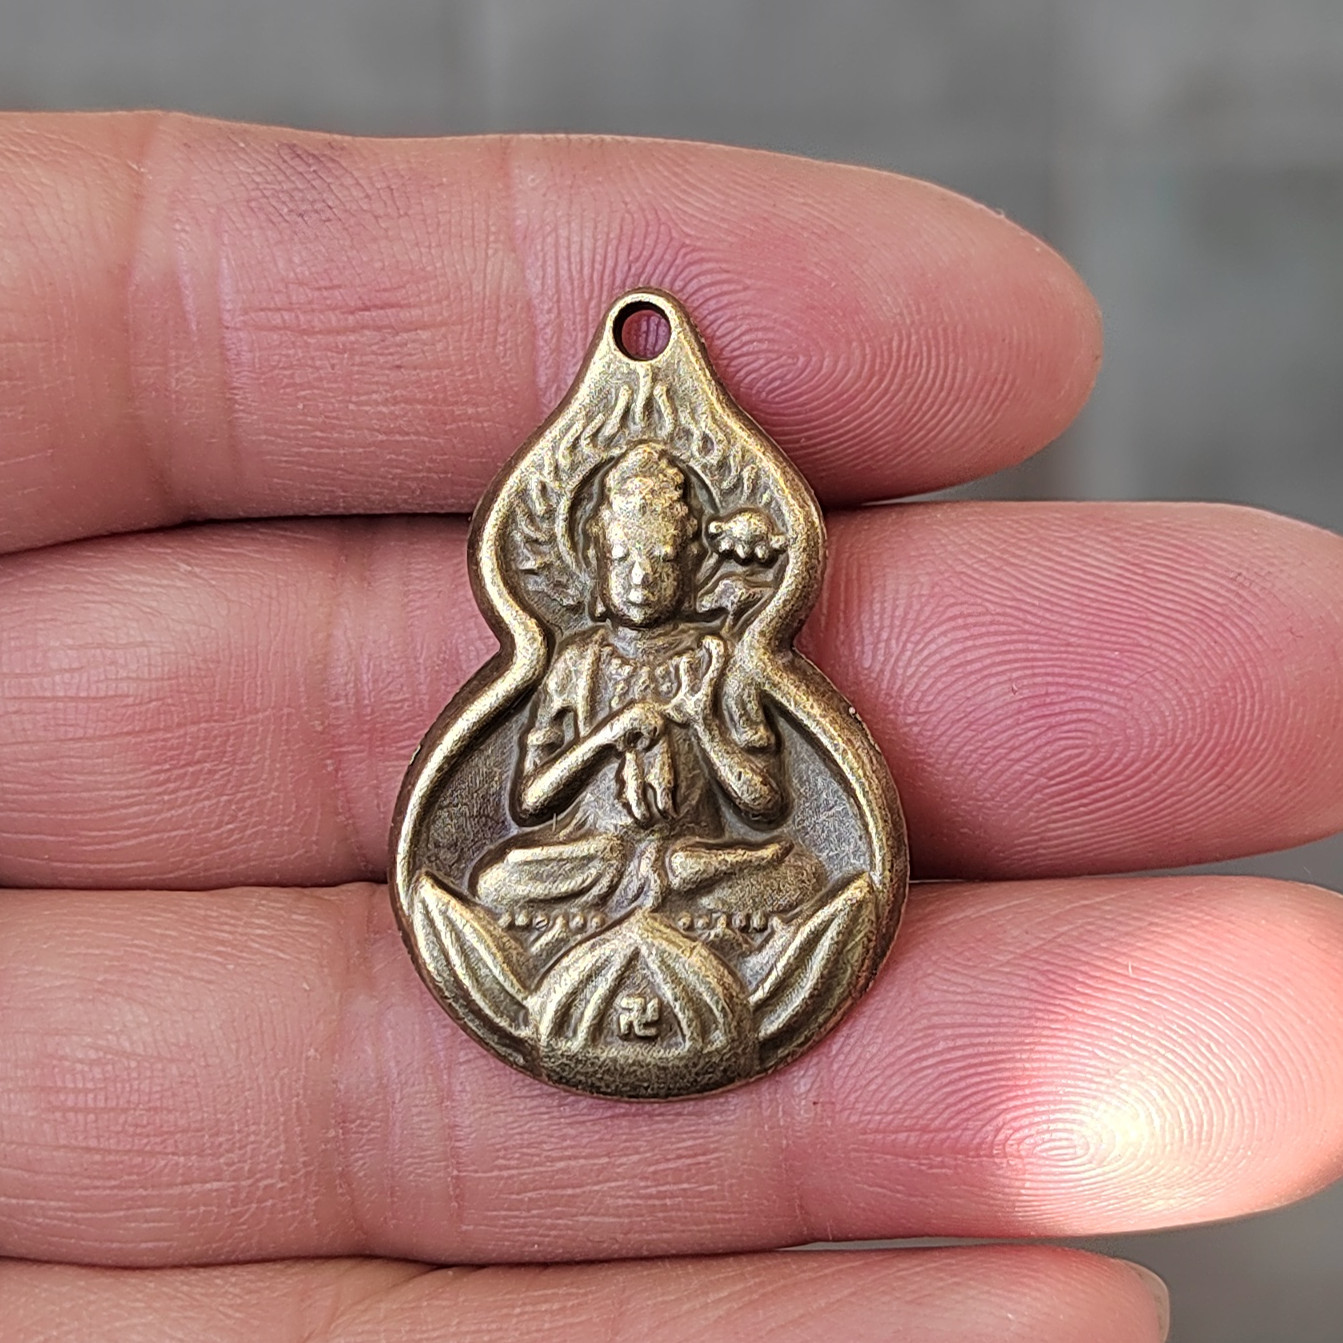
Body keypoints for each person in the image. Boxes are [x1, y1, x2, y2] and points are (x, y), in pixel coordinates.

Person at [2, 109, 1342, 1341]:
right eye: (626, 550)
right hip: (588, 867)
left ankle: (663, 952)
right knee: (515, 882)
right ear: (588, 561)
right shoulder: (573, 659)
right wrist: (612, 744)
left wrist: (697, 729)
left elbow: (763, 806)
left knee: (790, 878)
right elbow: (531, 807)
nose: (645, 571)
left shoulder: (719, 656)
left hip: (705, 868)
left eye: (667, 548)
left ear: (699, 558)